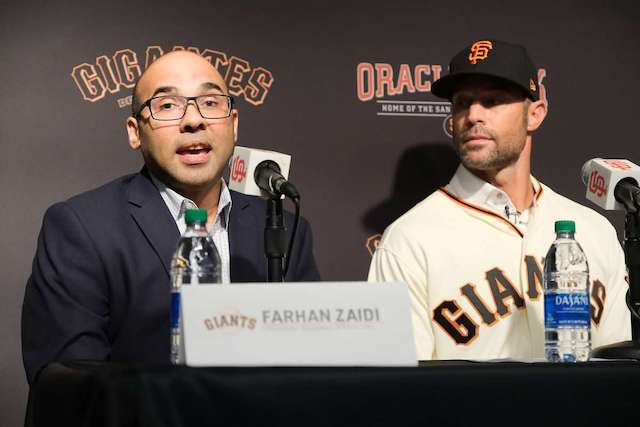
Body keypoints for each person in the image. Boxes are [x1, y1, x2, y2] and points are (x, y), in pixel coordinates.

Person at [22, 51, 320, 384]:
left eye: (210, 103)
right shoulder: (83, 228)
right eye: (167, 106)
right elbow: (69, 386)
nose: (193, 120)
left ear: (234, 125)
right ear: (135, 132)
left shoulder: (285, 230)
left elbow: (313, 371)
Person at [368, 39, 630, 360]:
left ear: (535, 114)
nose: (473, 114)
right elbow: (396, 390)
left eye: (492, 101)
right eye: (462, 103)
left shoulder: (594, 230)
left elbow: (622, 369)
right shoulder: (408, 240)